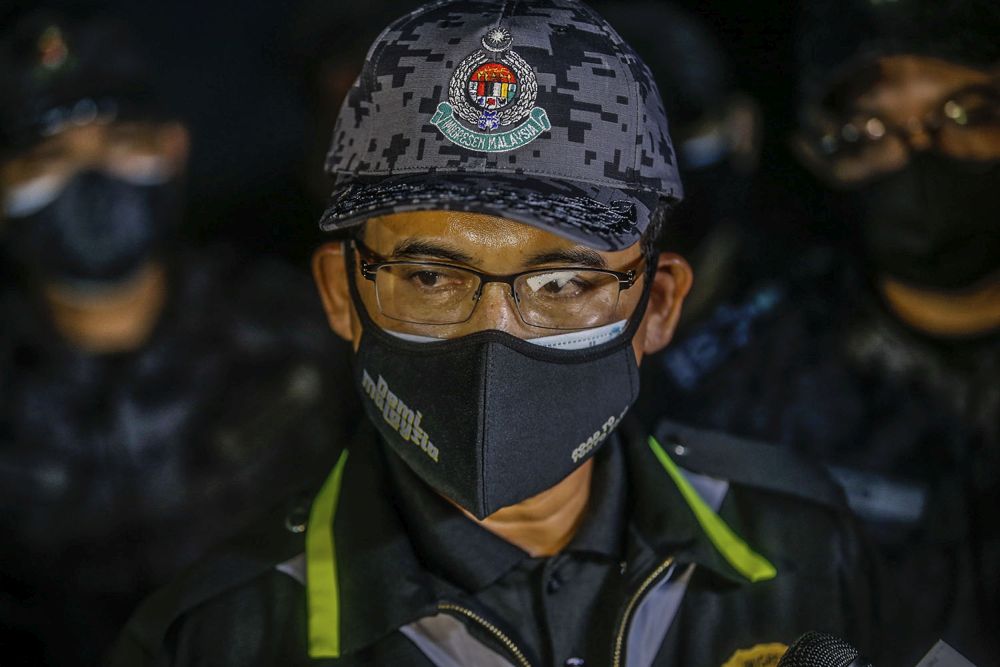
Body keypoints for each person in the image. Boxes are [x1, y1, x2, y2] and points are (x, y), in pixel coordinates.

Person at [110, 2, 882, 665]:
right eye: (431, 277)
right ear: (342, 296)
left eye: (562, 283)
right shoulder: (221, 633)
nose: (496, 333)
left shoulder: (797, 540)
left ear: (657, 305)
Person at [640, 0, 998, 662]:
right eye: (868, 130)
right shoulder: (740, 381)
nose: (919, 154)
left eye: (967, 112)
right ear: (817, 153)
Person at [0, 11, 353, 666]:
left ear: (173, 146)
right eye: (49, 156)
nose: (95, 176)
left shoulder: (308, 324)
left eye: (121, 137)